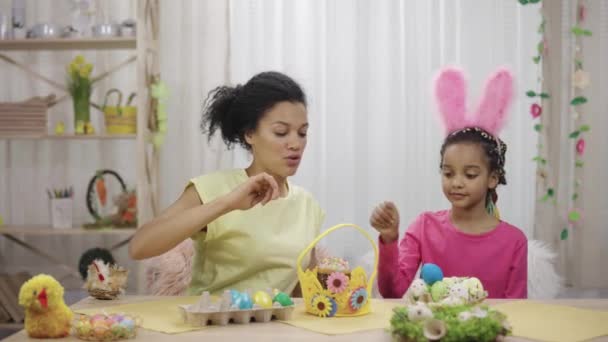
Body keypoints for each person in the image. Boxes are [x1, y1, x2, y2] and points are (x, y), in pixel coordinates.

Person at [129, 71, 325, 296]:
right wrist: (227, 203)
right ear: (249, 134)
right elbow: (140, 246)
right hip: (214, 325)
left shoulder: (306, 204)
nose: (295, 144)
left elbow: (302, 291)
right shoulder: (212, 188)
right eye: (281, 132)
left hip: (275, 328)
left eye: (302, 133)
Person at [370, 68, 527, 299]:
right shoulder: (424, 227)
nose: (457, 183)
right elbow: (392, 292)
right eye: (448, 173)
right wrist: (389, 240)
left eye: (470, 175)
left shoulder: (514, 241)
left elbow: (518, 311)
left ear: (492, 178)